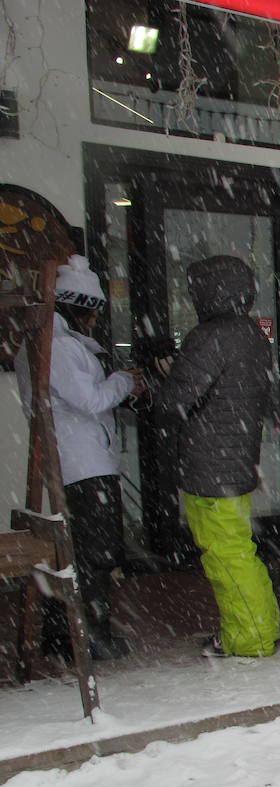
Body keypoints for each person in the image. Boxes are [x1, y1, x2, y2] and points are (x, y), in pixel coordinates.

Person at [15, 255, 144, 660]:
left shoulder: (44, 341)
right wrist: (125, 380)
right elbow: (91, 399)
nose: (93, 322)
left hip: (73, 460)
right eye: (90, 314)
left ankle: (65, 636)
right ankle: (89, 638)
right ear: (76, 308)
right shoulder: (61, 347)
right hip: (85, 463)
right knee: (95, 556)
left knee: (74, 554)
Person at [155, 255, 280, 658]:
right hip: (237, 460)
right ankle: (262, 628)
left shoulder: (209, 337)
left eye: (195, 289)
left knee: (225, 556)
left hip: (209, 466)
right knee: (240, 551)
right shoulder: (252, 334)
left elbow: (176, 401)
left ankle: (249, 639)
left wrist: (161, 378)